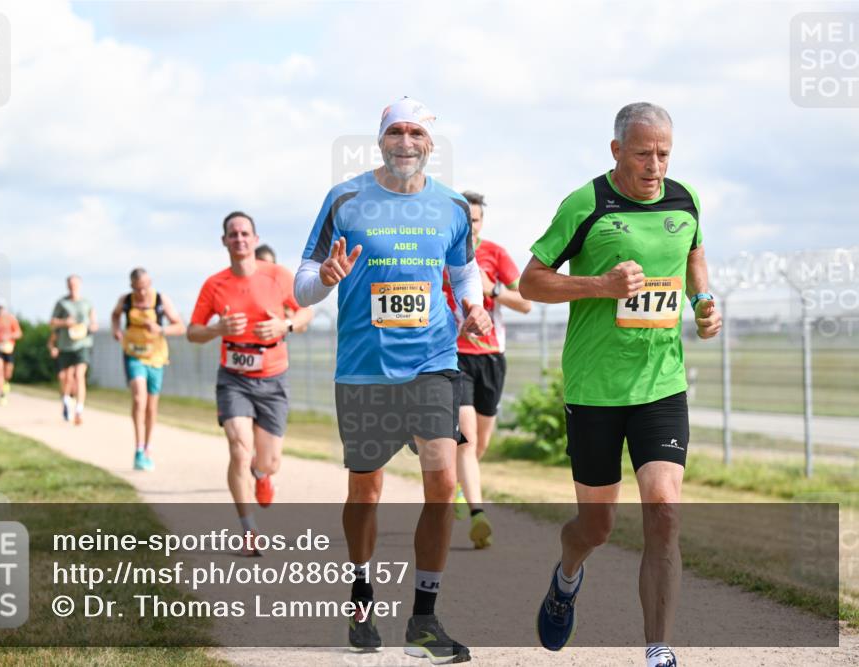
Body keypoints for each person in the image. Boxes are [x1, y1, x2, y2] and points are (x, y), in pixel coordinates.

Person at [520, 103, 722, 667]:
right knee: (596, 526)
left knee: (664, 510)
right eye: (642, 154)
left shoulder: (685, 199)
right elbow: (531, 282)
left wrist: (704, 300)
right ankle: (567, 577)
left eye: (663, 154)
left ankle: (658, 648)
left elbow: (693, 256)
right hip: (595, 390)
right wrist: (600, 285)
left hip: (661, 384)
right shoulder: (585, 204)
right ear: (616, 151)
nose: (654, 166)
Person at [294, 97, 491, 663]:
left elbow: (463, 271)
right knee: (366, 491)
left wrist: (473, 305)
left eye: (416, 133)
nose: (406, 142)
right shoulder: (345, 198)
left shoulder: (451, 205)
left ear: (430, 143)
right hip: (365, 369)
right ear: (380, 139)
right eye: (396, 132)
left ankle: (423, 620)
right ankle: (361, 597)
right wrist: (325, 277)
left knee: (443, 482)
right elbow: (302, 284)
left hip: (433, 360)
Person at [188, 212, 313, 551]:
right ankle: (248, 529)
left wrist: (284, 326)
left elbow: (306, 312)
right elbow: (193, 332)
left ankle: (262, 474)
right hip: (234, 378)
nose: (239, 239)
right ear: (224, 241)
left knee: (268, 461)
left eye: (245, 233)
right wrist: (217, 328)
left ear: (255, 239)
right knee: (239, 449)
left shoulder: (277, 276)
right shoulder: (214, 284)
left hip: (273, 376)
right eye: (233, 234)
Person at [442, 190, 532, 549]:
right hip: (454, 356)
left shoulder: (495, 253)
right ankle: (479, 515)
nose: (470, 227)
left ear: (482, 222)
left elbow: (525, 303)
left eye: (475, 221)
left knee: (480, 444)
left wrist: (492, 288)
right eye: (464, 221)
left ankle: (459, 487)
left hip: (492, 357)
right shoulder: (440, 254)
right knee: (467, 439)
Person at [111, 268, 185, 471]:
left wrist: (161, 329)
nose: (141, 292)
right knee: (139, 399)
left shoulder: (161, 300)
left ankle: (148, 447)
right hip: (133, 355)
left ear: (150, 283)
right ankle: (138, 448)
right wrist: (116, 330)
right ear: (131, 286)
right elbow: (115, 315)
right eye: (137, 288)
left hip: (156, 357)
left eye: (145, 287)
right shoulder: (125, 300)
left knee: (151, 407)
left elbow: (180, 326)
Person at [50, 275, 98, 425]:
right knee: (66, 378)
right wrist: (65, 322)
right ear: (67, 285)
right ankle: (66, 401)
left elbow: (94, 322)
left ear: (80, 285)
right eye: (70, 284)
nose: (73, 287)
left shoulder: (87, 303)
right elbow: (52, 322)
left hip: (83, 344)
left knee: (79, 375)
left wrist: (92, 327)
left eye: (75, 284)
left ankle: (79, 411)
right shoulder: (62, 303)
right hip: (65, 345)